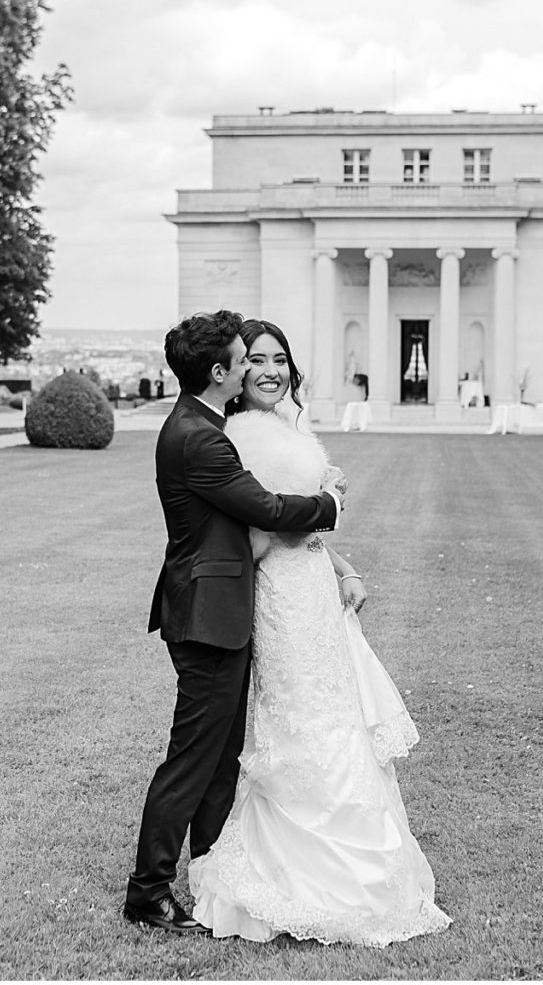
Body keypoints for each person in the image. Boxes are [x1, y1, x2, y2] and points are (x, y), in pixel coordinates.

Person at [189, 318, 452, 946]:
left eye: (280, 359)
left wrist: (343, 563)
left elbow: (303, 525)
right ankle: (294, 869)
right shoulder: (239, 439)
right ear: (234, 370)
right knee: (299, 720)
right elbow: (256, 534)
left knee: (337, 717)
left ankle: (359, 859)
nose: (272, 371)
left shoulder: (289, 425)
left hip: (313, 592)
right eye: (256, 360)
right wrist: (317, 511)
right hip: (279, 597)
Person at [123, 310, 348, 935]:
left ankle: (211, 872)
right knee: (192, 759)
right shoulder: (200, 437)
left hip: (218, 612)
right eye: (243, 359)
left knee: (220, 760)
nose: (254, 366)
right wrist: (330, 501)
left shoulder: (204, 423)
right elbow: (268, 508)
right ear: (221, 372)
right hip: (206, 617)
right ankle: (147, 893)